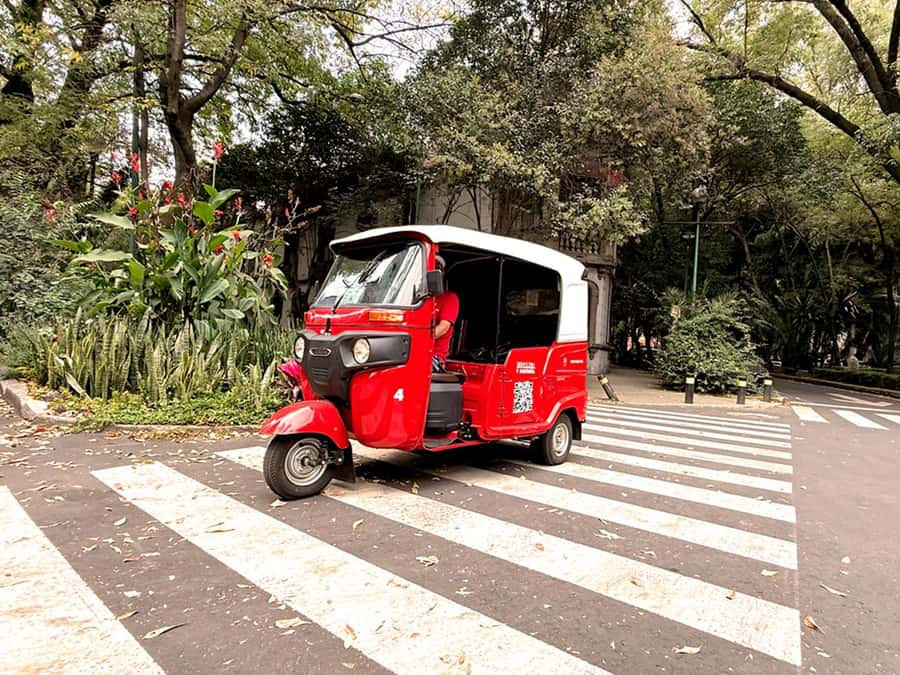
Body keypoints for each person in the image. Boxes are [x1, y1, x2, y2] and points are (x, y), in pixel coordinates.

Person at [432, 255, 460, 372]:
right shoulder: (416, 299)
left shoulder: (450, 298)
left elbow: (443, 328)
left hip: (433, 358)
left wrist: (417, 338)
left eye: (437, 268)